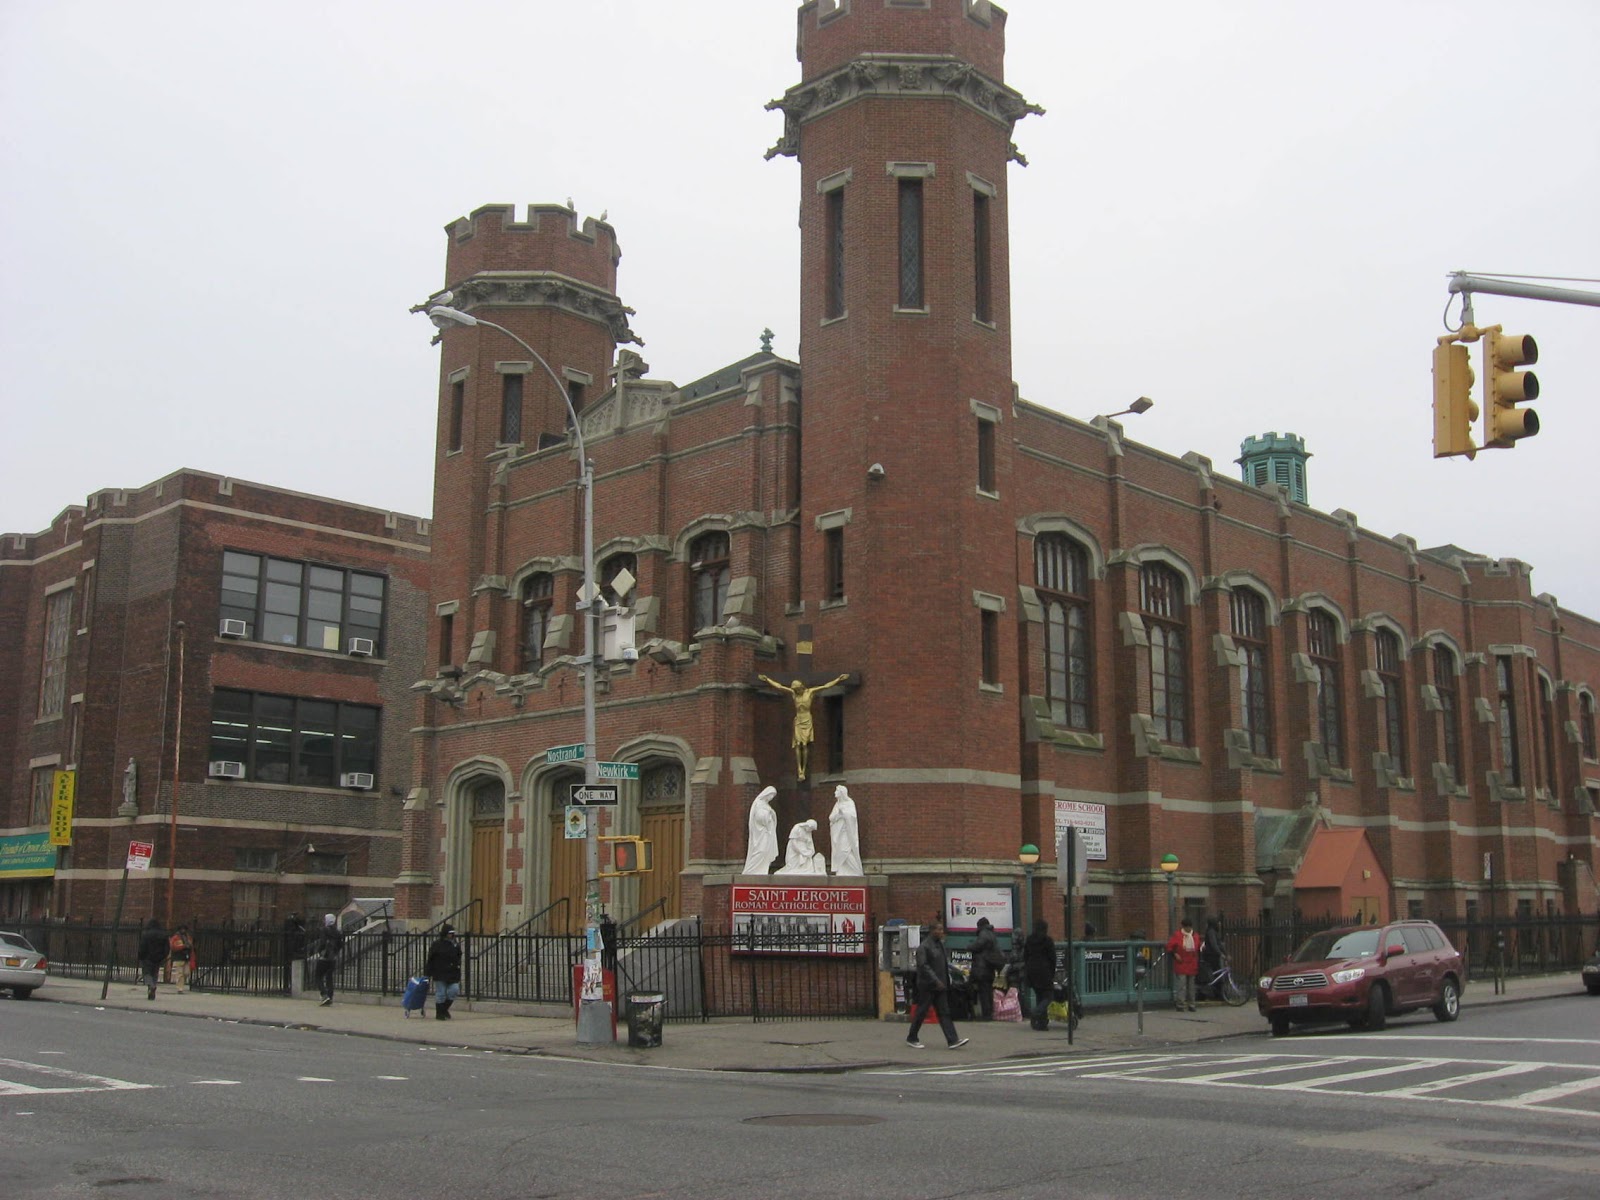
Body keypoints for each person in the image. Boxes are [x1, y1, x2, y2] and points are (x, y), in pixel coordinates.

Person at [758, 672, 848, 779]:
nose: (796, 691)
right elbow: (780, 687)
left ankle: (803, 769)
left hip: (807, 719)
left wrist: (838, 679)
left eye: (797, 689)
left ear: (801, 687)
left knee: (804, 745)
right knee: (798, 744)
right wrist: (767, 679)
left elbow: (826, 686)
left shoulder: (810, 692)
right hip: (798, 720)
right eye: (795, 689)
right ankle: (799, 770)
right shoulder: (793, 694)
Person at [905, 918, 969, 1049]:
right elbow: (923, 966)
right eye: (938, 929)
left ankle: (952, 1040)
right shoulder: (924, 947)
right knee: (922, 1011)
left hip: (940, 984)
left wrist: (946, 979)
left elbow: (944, 964)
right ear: (932, 931)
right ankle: (912, 1037)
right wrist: (936, 980)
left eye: (942, 929)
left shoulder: (940, 945)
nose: (941, 932)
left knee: (944, 1012)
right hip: (928, 985)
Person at [1022, 918, 1057, 1030]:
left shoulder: (1029, 940)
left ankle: (1041, 1023)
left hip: (1031, 970)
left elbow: (1025, 955)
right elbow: (1053, 958)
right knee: (1048, 996)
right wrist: (1052, 972)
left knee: (1039, 995)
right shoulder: (1048, 941)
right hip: (1044, 970)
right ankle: (1036, 1012)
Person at [967, 917, 1005, 1020]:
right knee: (987, 991)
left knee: (982, 991)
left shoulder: (984, 934)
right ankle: (988, 1013)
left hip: (982, 968)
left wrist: (969, 946)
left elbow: (978, 945)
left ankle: (985, 1014)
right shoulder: (992, 934)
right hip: (989, 968)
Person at [425, 923, 463, 1020]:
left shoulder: (455, 944)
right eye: (449, 933)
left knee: (453, 990)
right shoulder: (437, 944)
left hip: (452, 972)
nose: (451, 935)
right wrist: (428, 972)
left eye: (452, 933)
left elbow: (459, 956)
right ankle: (439, 1013)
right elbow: (431, 958)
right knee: (441, 993)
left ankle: (444, 1009)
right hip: (439, 971)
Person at [1166, 917, 1201, 1012]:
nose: (1188, 929)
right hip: (1182, 963)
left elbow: (1198, 948)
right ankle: (1181, 1004)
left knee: (1191, 986)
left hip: (1190, 963)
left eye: (1189, 927)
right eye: (1186, 927)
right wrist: (1175, 954)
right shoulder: (1178, 935)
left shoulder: (1195, 936)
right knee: (1182, 985)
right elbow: (1169, 947)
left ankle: (1191, 1004)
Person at [742, 786, 779, 875]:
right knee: (760, 850)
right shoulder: (759, 803)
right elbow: (759, 817)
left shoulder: (766, 805)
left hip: (766, 832)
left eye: (773, 796)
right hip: (760, 833)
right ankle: (750, 871)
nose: (771, 798)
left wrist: (772, 814)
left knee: (766, 851)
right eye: (771, 795)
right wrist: (769, 814)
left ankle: (761, 870)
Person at [828, 784, 862, 876]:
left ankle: (856, 870)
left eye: (836, 791)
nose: (835, 793)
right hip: (837, 833)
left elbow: (852, 817)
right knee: (839, 851)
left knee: (845, 851)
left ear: (842, 793)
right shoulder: (837, 804)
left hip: (846, 832)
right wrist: (838, 815)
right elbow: (831, 818)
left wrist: (844, 813)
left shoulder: (849, 803)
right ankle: (841, 869)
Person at [314, 913, 343, 1007]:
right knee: (329, 977)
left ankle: (324, 994)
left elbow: (322, 942)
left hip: (324, 957)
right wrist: (335, 953)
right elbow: (340, 945)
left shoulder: (324, 930)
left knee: (318, 976)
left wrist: (319, 951)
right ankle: (330, 996)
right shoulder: (338, 932)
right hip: (333, 958)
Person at [137, 916, 168, 1002]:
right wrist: (163, 956)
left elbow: (142, 946)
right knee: (155, 973)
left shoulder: (146, 934)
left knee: (147, 973)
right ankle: (153, 985)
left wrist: (141, 956)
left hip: (147, 957)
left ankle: (151, 986)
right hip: (158, 958)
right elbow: (167, 948)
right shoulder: (163, 934)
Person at [1198, 916, 1224, 1000]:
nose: (1219, 924)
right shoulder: (1211, 932)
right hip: (1211, 956)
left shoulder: (1214, 932)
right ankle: (1216, 994)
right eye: (1218, 922)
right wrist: (1220, 953)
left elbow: (1219, 944)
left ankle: (1218, 993)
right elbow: (1214, 945)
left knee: (1217, 974)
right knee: (1215, 975)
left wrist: (1225, 953)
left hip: (1214, 955)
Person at [282, 912, 307, 992]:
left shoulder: (298, 927)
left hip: (294, 949)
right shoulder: (293, 926)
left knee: (289, 966)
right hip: (291, 948)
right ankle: (287, 986)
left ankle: (288, 986)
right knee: (288, 966)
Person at [168, 923, 195, 993]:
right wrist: (183, 946)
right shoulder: (175, 937)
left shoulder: (188, 937)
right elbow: (173, 947)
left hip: (186, 958)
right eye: (182, 929)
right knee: (179, 973)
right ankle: (180, 988)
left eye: (184, 929)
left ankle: (181, 983)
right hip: (178, 958)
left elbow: (191, 946)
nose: (183, 931)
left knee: (186, 973)